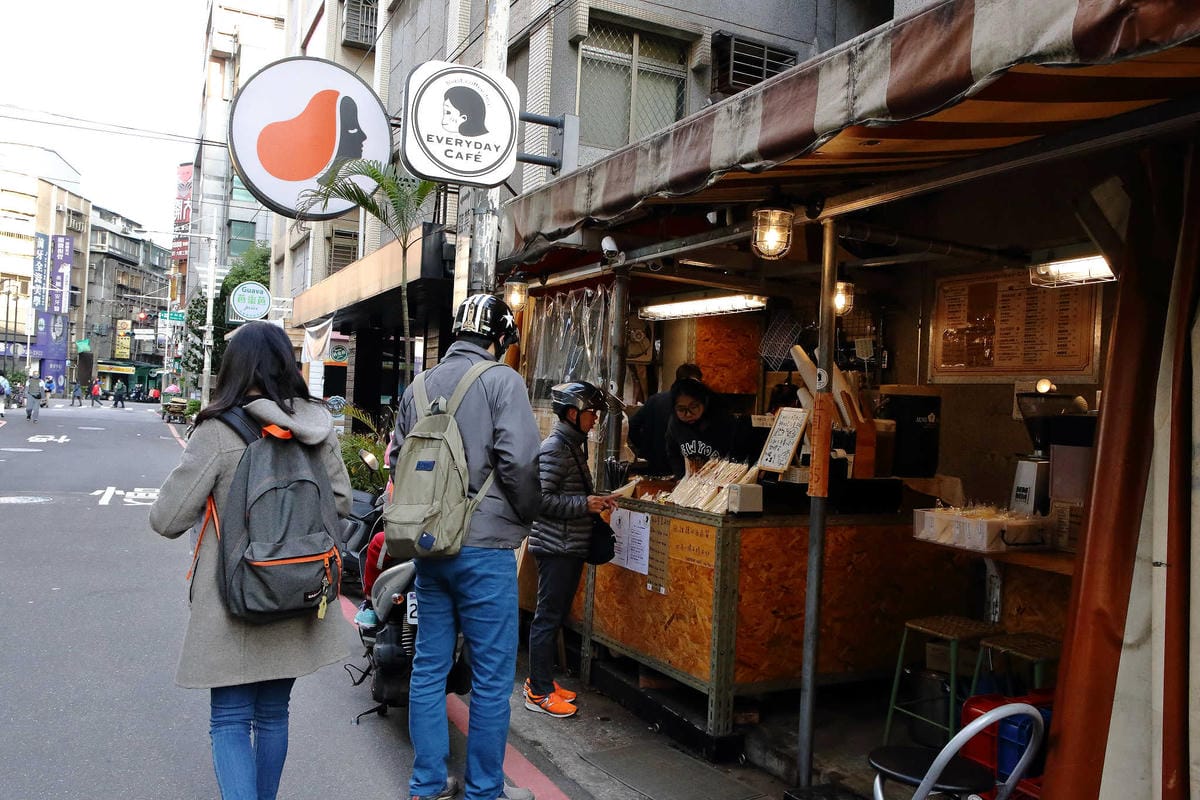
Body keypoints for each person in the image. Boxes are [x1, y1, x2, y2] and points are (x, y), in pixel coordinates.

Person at [148, 320, 353, 800]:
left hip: (234, 593)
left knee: (230, 719)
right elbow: (340, 501)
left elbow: (167, 519)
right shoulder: (317, 425)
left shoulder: (218, 431)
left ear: (233, 369)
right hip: (300, 584)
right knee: (273, 714)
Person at [384, 293, 540, 800]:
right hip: (487, 549)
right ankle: (484, 791)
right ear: (498, 337)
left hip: (430, 548)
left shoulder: (420, 384)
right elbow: (519, 466)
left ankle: (427, 784)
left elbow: (394, 462)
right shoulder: (502, 382)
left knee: (428, 667)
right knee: (492, 679)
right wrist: (528, 514)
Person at [525, 381, 618, 719]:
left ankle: (543, 681)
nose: (595, 420)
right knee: (547, 617)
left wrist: (593, 502)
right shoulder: (555, 448)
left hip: (568, 544)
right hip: (557, 545)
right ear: (573, 412)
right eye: (592, 413)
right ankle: (538, 690)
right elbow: (540, 500)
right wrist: (585, 504)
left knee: (554, 615)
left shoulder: (572, 446)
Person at [627, 363, 702, 475]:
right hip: (683, 471)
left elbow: (632, 426)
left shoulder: (656, 400)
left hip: (655, 467)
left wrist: (645, 448)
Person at [663, 377, 740, 478]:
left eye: (694, 407)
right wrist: (681, 477)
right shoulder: (675, 423)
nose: (688, 414)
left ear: (705, 402)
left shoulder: (722, 420)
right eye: (681, 409)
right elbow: (672, 452)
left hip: (719, 482)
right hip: (690, 484)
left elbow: (735, 455)